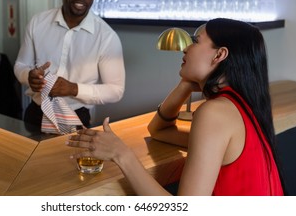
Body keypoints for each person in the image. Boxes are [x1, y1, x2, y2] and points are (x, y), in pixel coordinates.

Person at [67, 18, 285, 196]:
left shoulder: (215, 113)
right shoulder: (242, 105)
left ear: (219, 55)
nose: (185, 48)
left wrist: (121, 153)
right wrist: (185, 86)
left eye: (195, 41)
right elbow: (159, 130)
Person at [14, 0, 125, 129]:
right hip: (34, 114)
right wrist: (28, 76)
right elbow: (21, 64)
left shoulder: (106, 36)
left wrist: (73, 89)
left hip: (76, 118)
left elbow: (116, 90)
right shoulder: (38, 22)